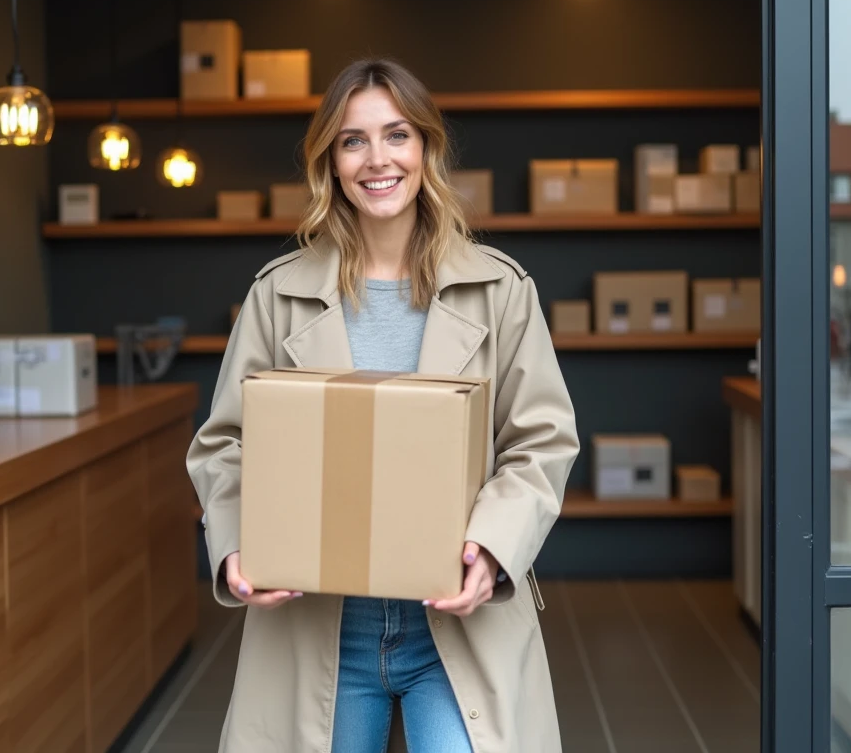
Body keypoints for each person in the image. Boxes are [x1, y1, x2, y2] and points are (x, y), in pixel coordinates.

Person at [186, 57, 579, 753]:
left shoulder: (500, 289)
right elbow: (225, 444)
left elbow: (541, 441)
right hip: (319, 626)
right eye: (353, 140)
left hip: (456, 621)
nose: (377, 159)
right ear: (330, 162)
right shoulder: (278, 294)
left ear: (426, 148)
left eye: (396, 135)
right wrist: (237, 545)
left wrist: (491, 548)